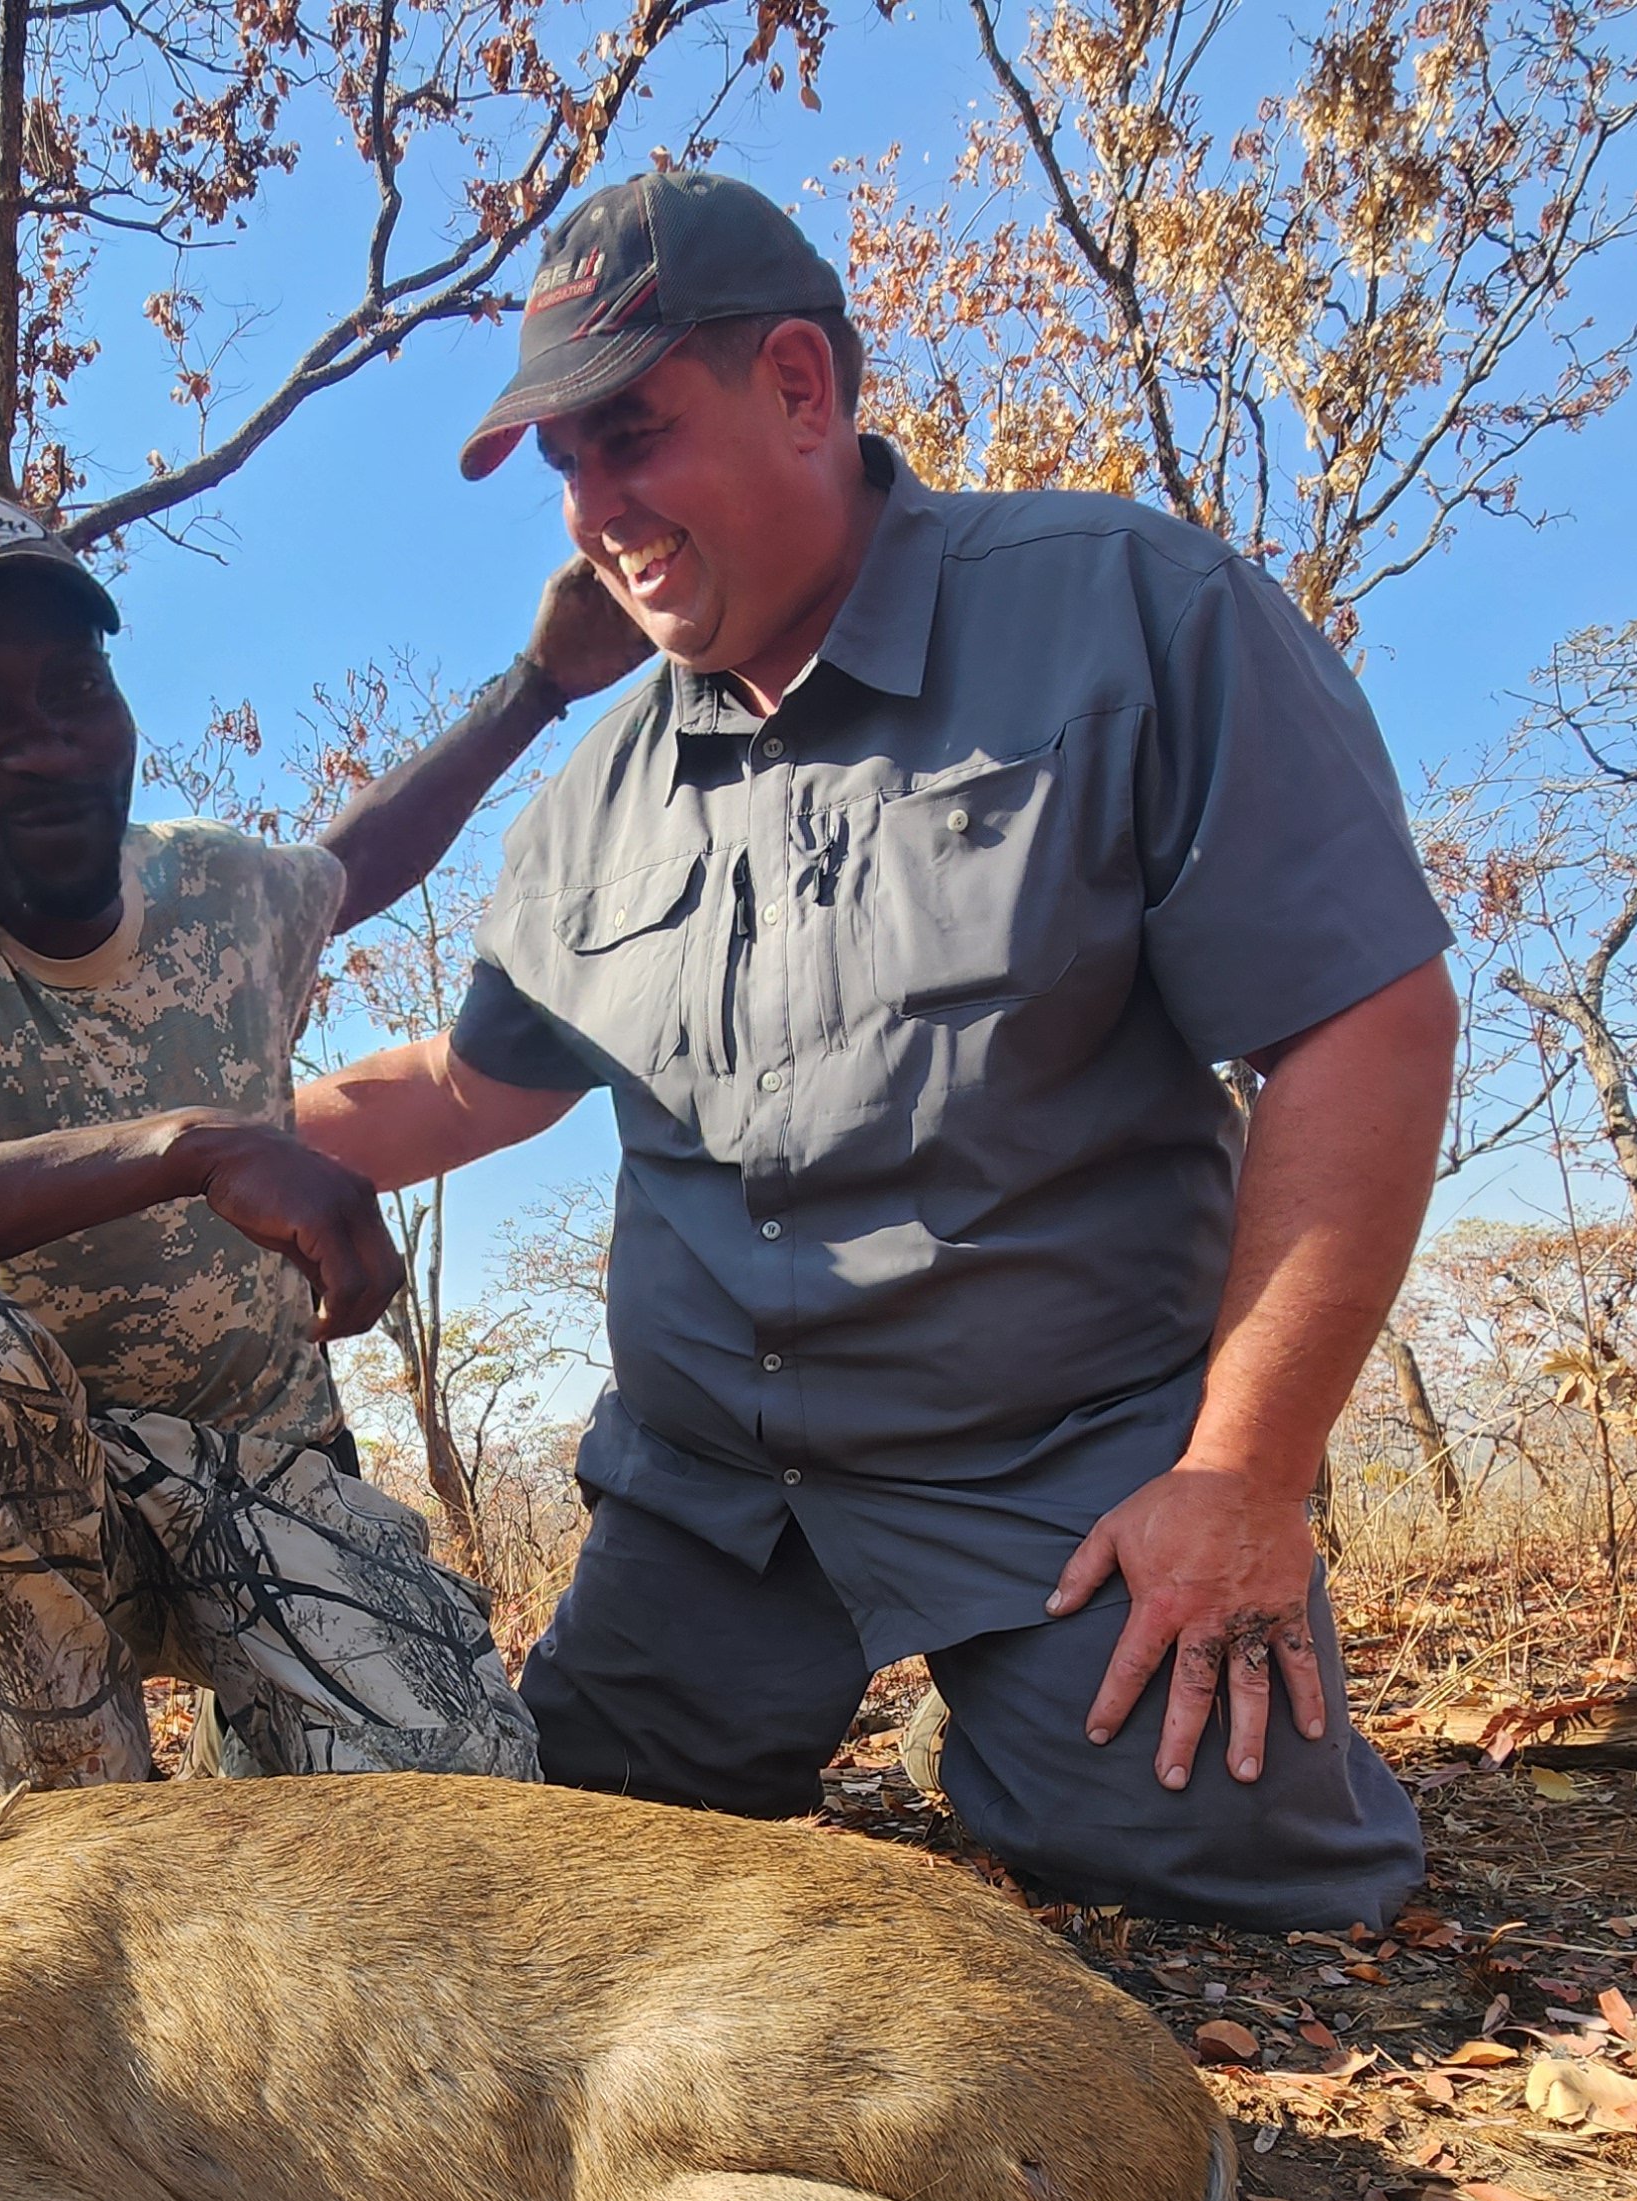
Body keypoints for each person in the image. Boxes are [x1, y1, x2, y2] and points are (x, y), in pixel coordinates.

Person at [297, 170, 1460, 1930]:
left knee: (1251, 1882)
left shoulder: (1132, 613)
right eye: (569, 469)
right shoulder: (593, 796)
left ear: (798, 386)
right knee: (575, 1869)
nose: (598, 509)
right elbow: (469, 1087)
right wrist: (171, 1146)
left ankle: (1005, 1730)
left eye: (634, 436)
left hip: (1063, 1469)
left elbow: (1363, 1016)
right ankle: (871, 1713)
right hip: (710, 1510)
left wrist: (1242, 1473)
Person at [0, 481, 631, 1792]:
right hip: (34, 1505)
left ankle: (248, 1776)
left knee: (464, 1822)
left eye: (72, 689)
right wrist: (184, 1146)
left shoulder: (219, 887)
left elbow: (358, 861)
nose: (46, 746)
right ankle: (95, 1864)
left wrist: (539, 683)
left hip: (266, 1480)